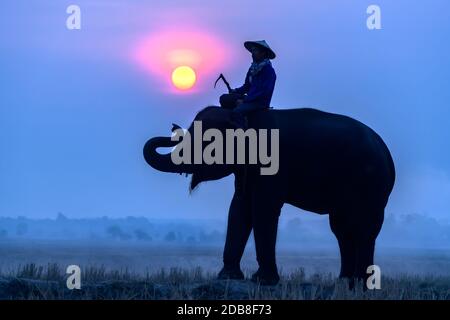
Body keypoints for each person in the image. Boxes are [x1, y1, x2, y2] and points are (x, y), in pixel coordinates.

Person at [220, 40, 277, 128]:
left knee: (237, 112)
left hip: (259, 102)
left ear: (263, 53)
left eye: (255, 50)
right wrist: (235, 91)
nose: (252, 53)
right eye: (252, 51)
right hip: (250, 98)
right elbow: (247, 86)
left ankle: (242, 134)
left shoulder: (268, 71)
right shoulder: (252, 69)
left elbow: (264, 92)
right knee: (224, 98)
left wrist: (245, 101)